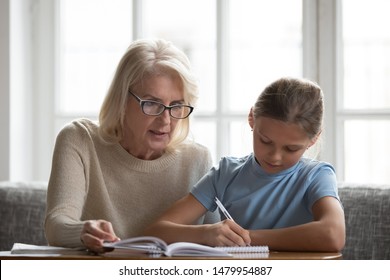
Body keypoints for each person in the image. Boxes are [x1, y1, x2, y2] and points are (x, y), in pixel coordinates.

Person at [44, 38, 214, 252]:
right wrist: (83, 231)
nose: (166, 121)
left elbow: (217, 245)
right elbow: (56, 226)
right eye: (152, 103)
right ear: (121, 99)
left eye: (177, 105)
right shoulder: (80, 140)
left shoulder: (198, 160)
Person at [144, 77, 346, 252]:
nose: (275, 157)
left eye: (291, 149)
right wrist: (206, 234)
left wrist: (247, 237)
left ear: (313, 139)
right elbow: (157, 231)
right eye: (265, 141)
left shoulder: (317, 176)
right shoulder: (226, 174)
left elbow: (333, 234)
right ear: (252, 119)